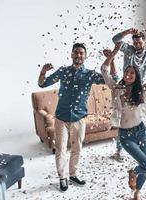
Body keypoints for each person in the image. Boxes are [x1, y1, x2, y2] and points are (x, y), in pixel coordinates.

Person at [38, 43, 105, 192]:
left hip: (79, 118)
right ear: (71, 55)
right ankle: (63, 177)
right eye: (76, 52)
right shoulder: (63, 71)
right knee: (61, 149)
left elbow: (111, 80)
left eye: (81, 53)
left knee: (77, 148)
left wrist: (110, 60)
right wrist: (43, 72)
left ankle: (73, 174)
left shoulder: (90, 74)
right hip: (61, 117)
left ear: (85, 56)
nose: (78, 55)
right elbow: (42, 84)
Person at [101, 41, 146, 200]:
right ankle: (133, 172)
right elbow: (104, 70)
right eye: (126, 72)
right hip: (125, 135)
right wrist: (113, 54)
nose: (128, 75)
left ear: (136, 77)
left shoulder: (143, 90)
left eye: (132, 73)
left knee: (145, 164)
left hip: (142, 132)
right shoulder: (117, 89)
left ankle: (137, 192)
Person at [110, 17, 146, 161]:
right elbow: (115, 40)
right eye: (134, 42)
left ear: (144, 41)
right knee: (124, 121)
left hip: (143, 91)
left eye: (139, 41)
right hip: (126, 89)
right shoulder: (128, 49)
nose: (136, 44)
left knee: (145, 122)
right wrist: (128, 32)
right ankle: (119, 151)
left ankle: (145, 149)